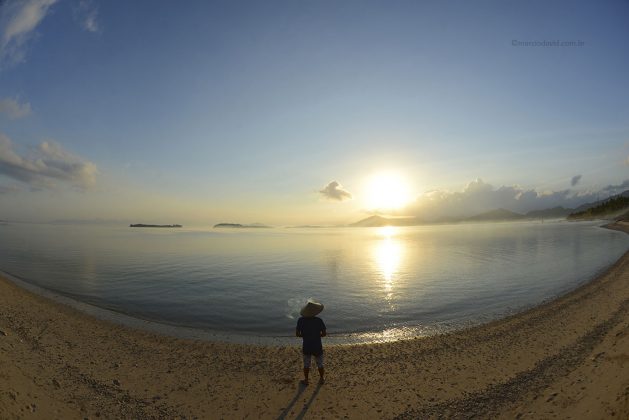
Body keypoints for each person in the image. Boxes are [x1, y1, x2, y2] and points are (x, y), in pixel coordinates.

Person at [296, 301, 326, 385]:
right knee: (320, 364)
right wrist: (316, 335)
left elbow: (297, 334)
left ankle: (306, 380)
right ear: (315, 312)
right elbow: (324, 334)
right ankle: (321, 379)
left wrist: (306, 335)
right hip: (317, 346)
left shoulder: (300, 320)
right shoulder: (319, 320)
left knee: (306, 364)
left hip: (306, 346)